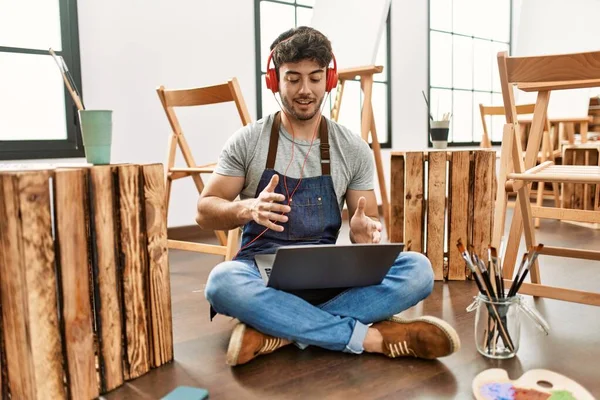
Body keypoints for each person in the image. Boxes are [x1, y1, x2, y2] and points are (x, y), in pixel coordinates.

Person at [197, 26, 460, 366]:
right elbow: (204, 210)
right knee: (221, 283)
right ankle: (368, 338)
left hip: (326, 275)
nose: (305, 90)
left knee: (419, 269)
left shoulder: (352, 148)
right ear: (274, 81)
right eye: (293, 79)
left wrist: (365, 232)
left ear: (329, 80)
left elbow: (366, 219)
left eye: (315, 78)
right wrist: (246, 208)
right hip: (259, 273)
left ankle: (275, 332)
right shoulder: (248, 141)